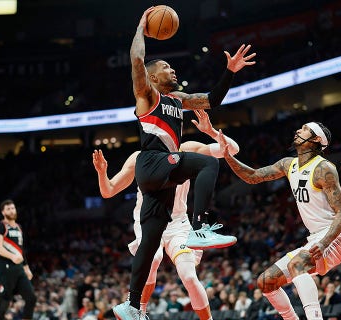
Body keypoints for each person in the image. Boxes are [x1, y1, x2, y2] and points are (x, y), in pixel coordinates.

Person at [112, 6, 256, 320]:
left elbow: (212, 99)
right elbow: (137, 59)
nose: (172, 70)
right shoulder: (147, 94)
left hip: (160, 184)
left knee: (150, 245)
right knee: (206, 164)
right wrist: (140, 26)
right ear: (152, 77)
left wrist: (229, 71)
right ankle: (201, 228)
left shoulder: (179, 99)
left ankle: (133, 307)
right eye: (165, 67)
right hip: (152, 162)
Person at [93, 110, 240, 320]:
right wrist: (101, 172)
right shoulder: (139, 158)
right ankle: (138, 311)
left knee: (189, 276)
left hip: (178, 223)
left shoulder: (187, 149)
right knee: (154, 257)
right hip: (148, 219)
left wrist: (211, 131)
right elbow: (108, 191)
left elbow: (233, 149)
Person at [217, 122, 341, 320]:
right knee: (266, 282)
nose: (299, 130)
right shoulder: (288, 164)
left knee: (297, 264)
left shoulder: (323, 168)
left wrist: (324, 243)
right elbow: (253, 176)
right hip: (316, 237)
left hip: (338, 236)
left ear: (316, 139)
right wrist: (228, 157)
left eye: (305, 129)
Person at [0, 199, 37, 320]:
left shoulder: (18, 227)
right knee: (5, 302)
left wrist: (27, 268)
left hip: (19, 268)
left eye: (13, 208)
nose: (11, 211)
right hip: (4, 267)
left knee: (31, 298)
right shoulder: (0, 226)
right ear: (3, 212)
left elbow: (21, 250)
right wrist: (12, 256)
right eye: (8, 209)